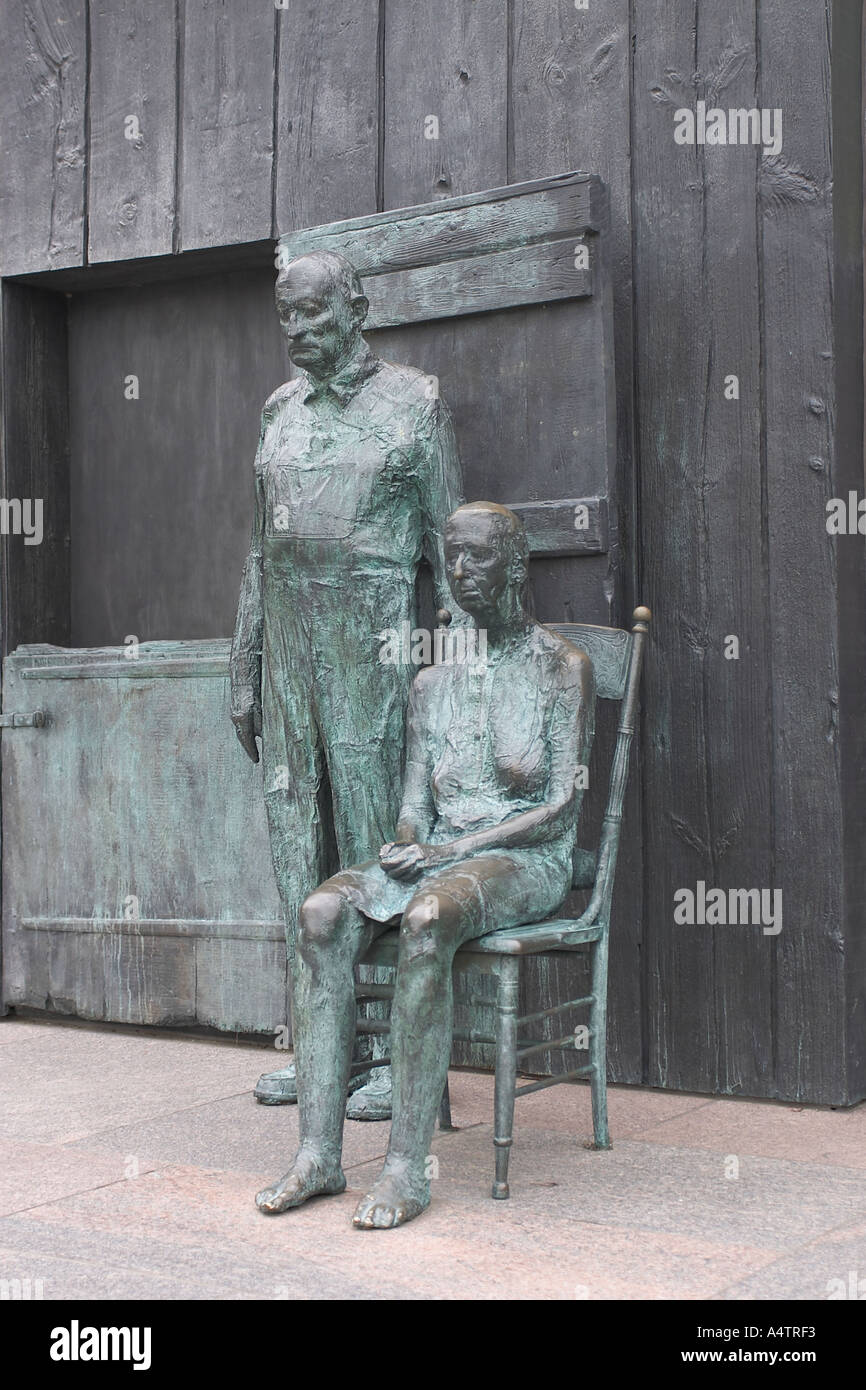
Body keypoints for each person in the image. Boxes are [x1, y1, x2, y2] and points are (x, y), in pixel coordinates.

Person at [255, 502, 596, 1227]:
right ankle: (319, 1155)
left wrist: (448, 853)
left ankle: (407, 1168)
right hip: (441, 856)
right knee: (320, 913)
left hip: (525, 860)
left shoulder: (562, 668)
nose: (462, 571)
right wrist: (407, 842)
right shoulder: (431, 684)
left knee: (428, 915)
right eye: (453, 557)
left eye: (478, 556)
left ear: (516, 564)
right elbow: (415, 805)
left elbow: (563, 806)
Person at [230, 249, 464, 1117]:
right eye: (286, 315)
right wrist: (243, 664)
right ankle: (319, 1042)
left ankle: (394, 1058)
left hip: (377, 637)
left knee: (374, 836)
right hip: (289, 636)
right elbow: (258, 551)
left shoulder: (416, 402)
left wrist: (457, 690)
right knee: (294, 834)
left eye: (314, 313)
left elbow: (451, 555)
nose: (297, 330)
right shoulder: (278, 411)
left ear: (357, 308)